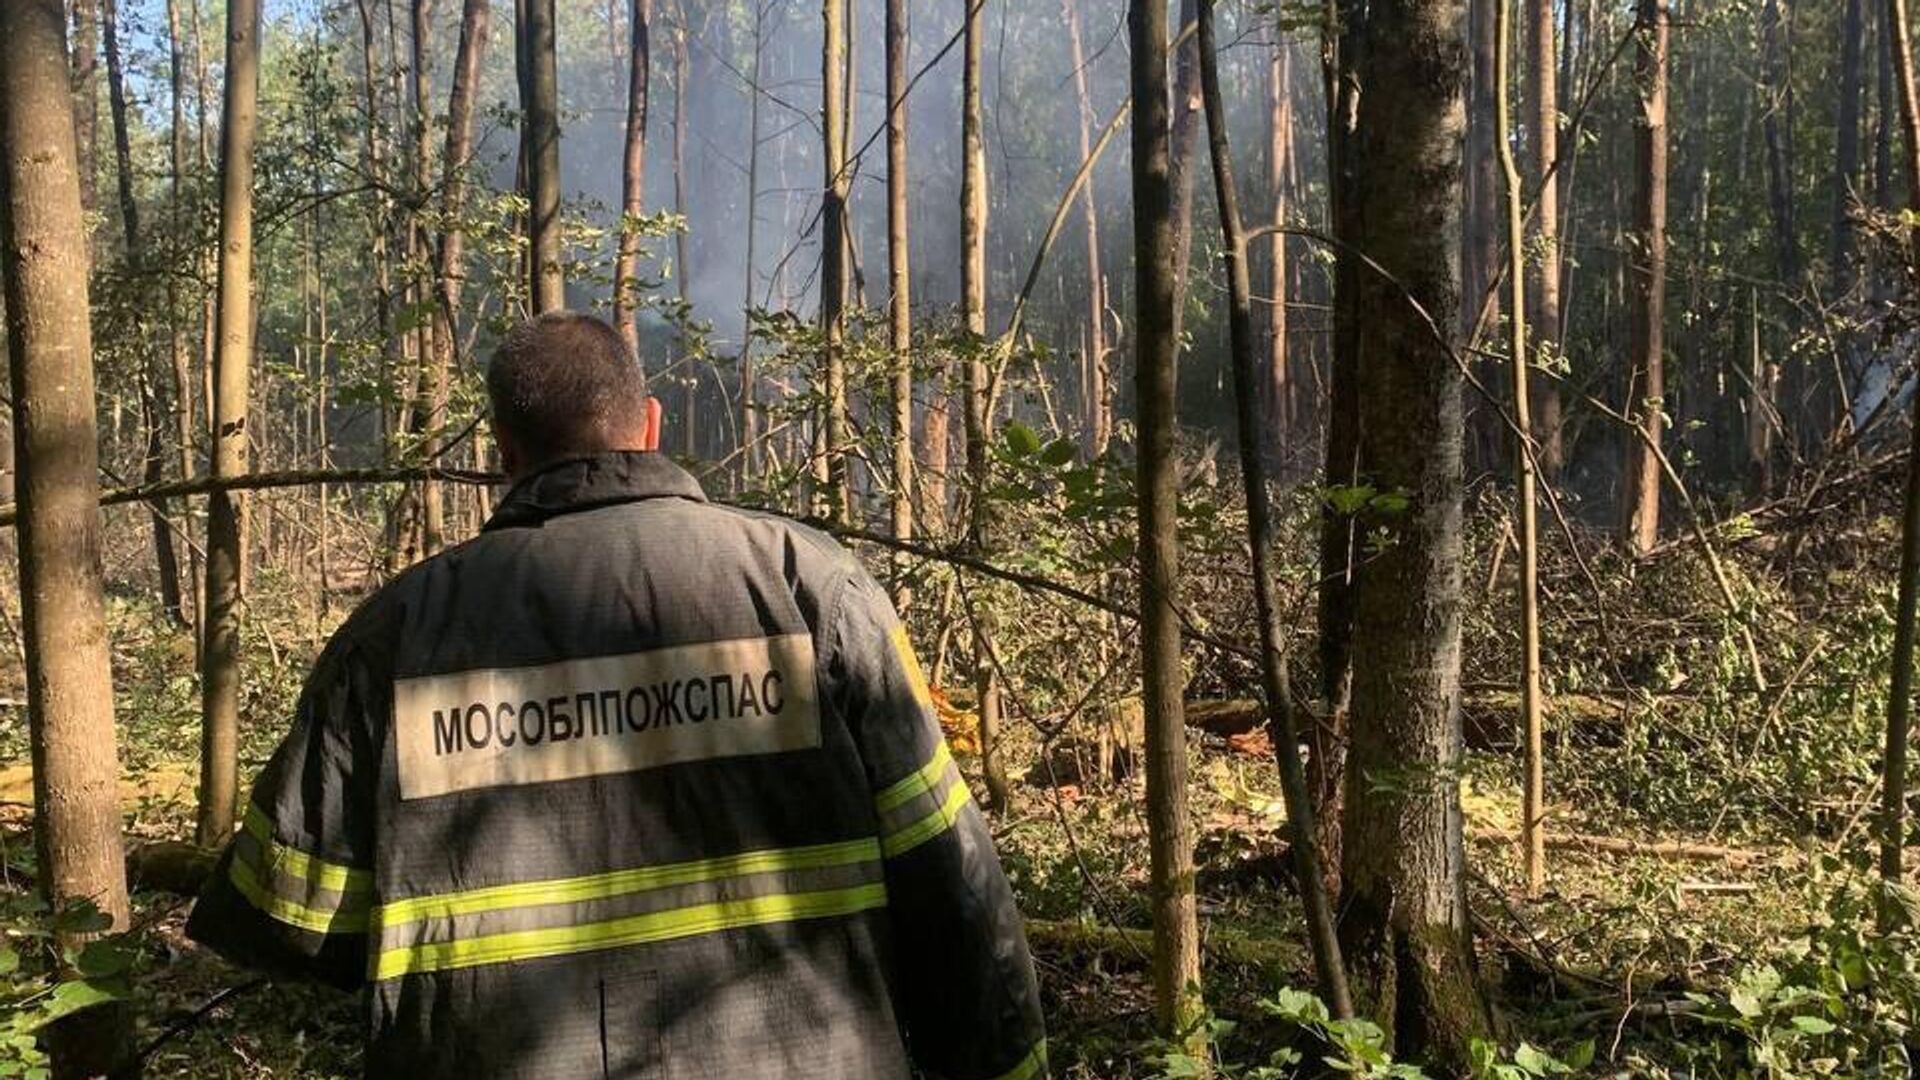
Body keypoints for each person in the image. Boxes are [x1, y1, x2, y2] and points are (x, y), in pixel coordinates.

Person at [188, 311, 1046, 1080]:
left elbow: (294, 917)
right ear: (650, 425)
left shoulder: (396, 637)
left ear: (505, 450)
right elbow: (952, 883)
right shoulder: (814, 589)